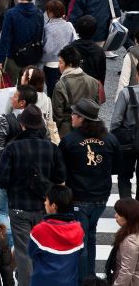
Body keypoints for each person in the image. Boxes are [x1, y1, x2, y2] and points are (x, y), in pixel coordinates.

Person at [0, 104, 67, 286]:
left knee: (23, 252)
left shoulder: (13, 148)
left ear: (22, 125)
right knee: (43, 249)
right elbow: (60, 176)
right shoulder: (51, 148)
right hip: (44, 206)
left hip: (19, 207)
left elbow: (1, 179)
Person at [59, 98, 120, 282]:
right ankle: (91, 276)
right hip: (101, 197)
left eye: (74, 114)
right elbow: (117, 168)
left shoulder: (69, 141)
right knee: (91, 235)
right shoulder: (109, 139)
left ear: (82, 118)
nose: (72, 116)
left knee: (81, 242)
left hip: (78, 197)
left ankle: (83, 280)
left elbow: (61, 170)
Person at [28, 185, 85, 284]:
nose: (45, 203)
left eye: (46, 200)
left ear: (53, 206)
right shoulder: (78, 230)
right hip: (69, 282)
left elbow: (31, 253)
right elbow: (79, 253)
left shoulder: (40, 230)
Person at [0, 0, 44, 86]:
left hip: (13, 57)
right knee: (27, 91)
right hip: (31, 58)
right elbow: (40, 36)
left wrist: (0, 60)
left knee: (8, 89)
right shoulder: (39, 13)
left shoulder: (11, 14)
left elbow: (5, 38)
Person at [52, 45, 103, 138]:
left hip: (67, 130)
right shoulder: (93, 81)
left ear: (70, 64)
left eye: (60, 62)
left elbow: (57, 114)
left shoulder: (61, 85)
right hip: (88, 129)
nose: (58, 66)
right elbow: (95, 106)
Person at [106, 198, 139, 284]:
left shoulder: (130, 240)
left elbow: (126, 271)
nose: (115, 216)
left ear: (128, 217)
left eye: (119, 214)